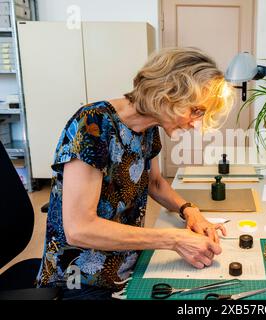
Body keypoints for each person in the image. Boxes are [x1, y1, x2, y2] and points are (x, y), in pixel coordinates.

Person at [36, 47, 234, 299]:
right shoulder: (92, 125)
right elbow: (79, 229)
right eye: (196, 110)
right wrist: (173, 239)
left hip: (128, 262)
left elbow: (156, 183)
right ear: (168, 92)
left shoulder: (148, 128)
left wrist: (189, 210)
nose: (196, 123)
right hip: (80, 278)